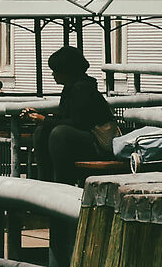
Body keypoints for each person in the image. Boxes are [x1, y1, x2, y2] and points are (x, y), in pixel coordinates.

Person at [30, 42, 117, 182]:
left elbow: (78, 123)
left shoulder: (82, 88)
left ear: (67, 71)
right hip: (85, 140)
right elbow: (65, 118)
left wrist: (44, 120)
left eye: (56, 70)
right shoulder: (71, 88)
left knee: (60, 133)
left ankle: (62, 182)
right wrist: (42, 119)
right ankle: (45, 182)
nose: (53, 74)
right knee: (41, 131)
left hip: (98, 145)